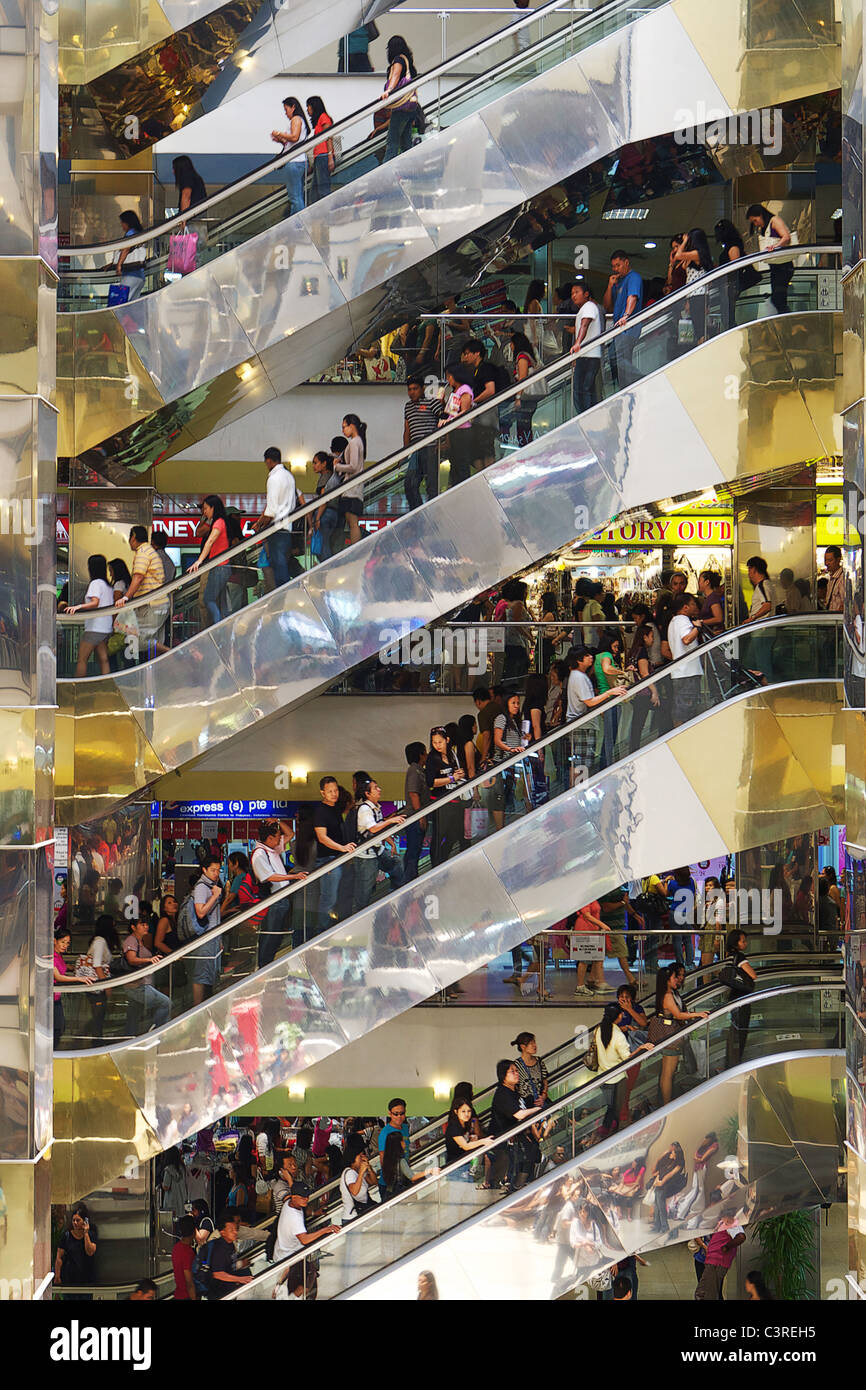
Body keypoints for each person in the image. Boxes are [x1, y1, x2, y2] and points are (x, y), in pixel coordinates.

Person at [565, 647, 627, 779]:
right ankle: (578, 792)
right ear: (579, 660)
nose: (590, 657)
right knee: (582, 762)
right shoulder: (579, 677)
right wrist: (610, 692)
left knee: (580, 762)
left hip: (582, 725)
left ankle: (578, 790)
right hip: (582, 726)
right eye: (586, 655)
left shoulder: (578, 676)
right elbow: (590, 702)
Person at [251, 820, 307, 966]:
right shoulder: (259, 854)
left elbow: (291, 833)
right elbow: (269, 876)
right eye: (277, 836)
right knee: (270, 936)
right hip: (272, 900)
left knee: (276, 937)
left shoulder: (273, 848)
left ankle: (268, 964)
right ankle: (264, 966)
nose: (280, 838)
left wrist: (278, 821)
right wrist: (293, 876)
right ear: (269, 839)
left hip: (281, 899)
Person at [484, 1059, 543, 1191]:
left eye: (517, 1071)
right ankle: (515, 1187)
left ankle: (519, 1186)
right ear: (503, 1076)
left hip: (516, 1140)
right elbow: (519, 1114)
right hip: (503, 1143)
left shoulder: (514, 1092)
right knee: (521, 1162)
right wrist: (538, 1110)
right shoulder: (502, 1093)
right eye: (512, 1071)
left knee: (532, 1156)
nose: (516, 1074)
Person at [655, 963, 708, 1103]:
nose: (677, 980)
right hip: (671, 1038)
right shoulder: (667, 996)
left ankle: (665, 1102)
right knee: (668, 1073)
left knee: (668, 1072)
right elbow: (678, 1015)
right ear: (667, 980)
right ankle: (666, 1104)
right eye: (674, 977)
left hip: (670, 1037)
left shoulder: (669, 994)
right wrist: (697, 1014)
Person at [115, 526, 169, 659]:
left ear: (133, 537)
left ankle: (173, 652)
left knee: (139, 640)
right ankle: (154, 674)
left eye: (130, 538)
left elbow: (138, 576)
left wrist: (126, 597)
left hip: (153, 605)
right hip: (157, 604)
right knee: (149, 642)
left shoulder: (143, 553)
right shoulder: (148, 551)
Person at [312, 775, 356, 932]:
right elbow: (322, 838)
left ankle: (329, 929)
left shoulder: (335, 809)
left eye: (336, 790)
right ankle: (321, 932)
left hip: (337, 859)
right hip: (328, 861)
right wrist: (342, 848)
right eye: (329, 791)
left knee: (336, 897)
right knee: (328, 898)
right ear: (322, 793)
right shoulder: (321, 812)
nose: (334, 794)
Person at [353, 777, 405, 909]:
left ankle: (394, 895)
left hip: (377, 850)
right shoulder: (365, 809)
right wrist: (391, 821)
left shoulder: (376, 807)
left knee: (396, 863)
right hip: (366, 856)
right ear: (367, 794)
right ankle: (360, 915)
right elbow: (373, 828)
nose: (379, 789)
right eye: (375, 788)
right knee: (365, 891)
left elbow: (379, 828)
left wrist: (392, 844)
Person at [253, 447, 298, 588]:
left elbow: (271, 509)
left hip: (276, 529)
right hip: (287, 527)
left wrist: (259, 526)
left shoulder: (273, 478)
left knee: (278, 569)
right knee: (282, 565)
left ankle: (283, 598)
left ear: (269, 461)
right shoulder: (289, 476)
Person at [121, 915, 171, 1033]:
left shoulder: (140, 941)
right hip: (138, 985)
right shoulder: (131, 940)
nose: (146, 927)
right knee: (165, 1003)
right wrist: (149, 960)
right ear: (133, 927)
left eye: (146, 924)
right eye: (142, 924)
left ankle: (129, 1037)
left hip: (139, 984)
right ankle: (157, 1030)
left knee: (133, 1015)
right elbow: (131, 959)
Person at [66, 554, 114, 676]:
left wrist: (78, 607)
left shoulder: (95, 583)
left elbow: (95, 602)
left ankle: (78, 686)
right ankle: (105, 684)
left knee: (82, 659)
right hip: (106, 628)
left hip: (94, 628)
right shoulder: (108, 586)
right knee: (103, 659)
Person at [603, 249, 644, 386]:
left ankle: (643, 378)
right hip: (619, 328)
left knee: (617, 358)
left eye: (618, 265)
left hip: (628, 327)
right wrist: (610, 286)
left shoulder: (633, 277)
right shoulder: (618, 282)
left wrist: (626, 315)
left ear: (626, 262)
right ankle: (627, 388)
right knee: (618, 360)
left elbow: (632, 297)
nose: (615, 269)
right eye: (613, 266)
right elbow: (607, 306)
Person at [425, 725, 465, 865]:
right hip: (440, 803)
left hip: (455, 801)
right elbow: (430, 782)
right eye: (434, 743)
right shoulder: (432, 758)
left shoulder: (452, 754)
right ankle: (436, 864)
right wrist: (452, 778)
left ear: (447, 740)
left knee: (454, 834)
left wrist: (459, 775)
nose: (437, 746)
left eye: (440, 742)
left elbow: (457, 772)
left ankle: (442, 861)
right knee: (438, 835)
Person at [188, 495, 231, 625]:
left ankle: (218, 625)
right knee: (219, 601)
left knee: (208, 599)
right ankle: (222, 624)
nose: (204, 511)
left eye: (206, 508)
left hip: (220, 567)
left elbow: (210, 541)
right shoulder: (220, 521)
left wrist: (199, 561)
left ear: (213, 508)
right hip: (221, 567)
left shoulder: (218, 522)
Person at [75, 916, 119, 1040]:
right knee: (98, 1016)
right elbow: (97, 964)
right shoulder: (100, 941)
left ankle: (86, 1038)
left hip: (96, 985)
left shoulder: (100, 940)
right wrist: (106, 986)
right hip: (97, 985)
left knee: (97, 1015)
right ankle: (93, 1041)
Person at [187, 853, 223, 1005]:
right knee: (201, 976)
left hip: (213, 937)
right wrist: (215, 896)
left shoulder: (211, 886)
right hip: (205, 937)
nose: (216, 873)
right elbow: (201, 912)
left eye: (218, 870)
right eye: (213, 870)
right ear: (204, 870)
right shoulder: (202, 887)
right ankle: (197, 1008)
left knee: (208, 974)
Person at [403, 374, 443, 509]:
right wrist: (404, 453)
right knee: (409, 483)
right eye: (409, 389)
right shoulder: (408, 406)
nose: (412, 392)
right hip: (415, 450)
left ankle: (433, 513)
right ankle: (417, 511)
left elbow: (443, 421)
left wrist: (442, 443)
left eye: (415, 389)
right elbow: (407, 430)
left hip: (431, 448)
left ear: (422, 388)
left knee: (431, 485)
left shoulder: (432, 402)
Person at [746, 203, 793, 312]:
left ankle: (788, 322)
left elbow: (786, 237)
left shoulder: (774, 221)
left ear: (761, 215)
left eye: (755, 220)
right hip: (776, 267)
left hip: (784, 267)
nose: (756, 224)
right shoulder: (767, 226)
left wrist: (775, 246)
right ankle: (785, 321)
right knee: (778, 299)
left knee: (778, 299)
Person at [667, 592, 704, 726]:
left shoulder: (673, 622)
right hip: (688, 672)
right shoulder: (683, 620)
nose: (696, 607)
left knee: (680, 710)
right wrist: (697, 628)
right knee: (686, 711)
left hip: (679, 672)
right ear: (685, 607)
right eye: (693, 604)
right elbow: (687, 639)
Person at [381, 38, 420, 162]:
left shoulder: (398, 60)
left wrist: (389, 90)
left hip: (401, 108)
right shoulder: (407, 61)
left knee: (392, 141)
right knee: (405, 142)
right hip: (411, 108)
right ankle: (411, 171)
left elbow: (396, 75)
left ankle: (385, 175)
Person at [673, 226, 713, 340]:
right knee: (698, 328)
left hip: (699, 295)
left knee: (700, 329)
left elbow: (678, 255)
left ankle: (703, 345)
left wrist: (685, 241)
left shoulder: (697, 253)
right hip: (694, 295)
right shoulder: (696, 254)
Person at [272, 96, 310, 215]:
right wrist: (281, 140)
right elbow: (293, 142)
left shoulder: (296, 119)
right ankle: (297, 222)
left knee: (295, 197)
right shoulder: (299, 120)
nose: (285, 113)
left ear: (293, 107)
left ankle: (299, 223)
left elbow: (294, 137)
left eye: (286, 109)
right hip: (299, 161)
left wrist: (280, 133)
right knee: (296, 196)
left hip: (294, 161)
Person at [438, 364, 475, 486]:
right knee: (454, 462)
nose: (448, 379)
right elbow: (451, 411)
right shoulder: (456, 391)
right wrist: (442, 401)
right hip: (454, 431)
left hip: (462, 431)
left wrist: (450, 421)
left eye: (449, 376)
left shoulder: (465, 389)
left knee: (461, 463)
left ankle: (462, 487)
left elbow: (464, 411)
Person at [724, 928, 756, 1065]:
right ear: (736, 943)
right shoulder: (740, 957)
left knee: (734, 1031)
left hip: (732, 996)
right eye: (743, 941)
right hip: (742, 998)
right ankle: (736, 1062)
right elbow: (753, 975)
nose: (745, 943)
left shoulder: (728, 956)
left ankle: (731, 1060)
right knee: (741, 1032)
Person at [333, 415, 366, 544]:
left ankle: (354, 549)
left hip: (351, 489)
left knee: (352, 523)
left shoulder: (354, 442)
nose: (343, 431)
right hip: (355, 488)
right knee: (353, 523)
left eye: (344, 427)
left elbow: (353, 466)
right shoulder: (358, 441)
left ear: (351, 426)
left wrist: (337, 466)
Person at [570, 279, 602, 412]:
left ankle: (586, 417)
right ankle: (587, 417)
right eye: (572, 293)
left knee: (583, 390)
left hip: (590, 355)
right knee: (583, 389)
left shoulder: (589, 306)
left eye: (577, 292)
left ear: (586, 294)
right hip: (586, 355)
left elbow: (585, 324)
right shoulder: (585, 308)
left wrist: (577, 344)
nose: (574, 295)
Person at [55, 1203, 98, 1299]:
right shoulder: (66, 1236)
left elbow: (90, 1252)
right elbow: (59, 1256)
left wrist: (85, 1233)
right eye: (73, 1220)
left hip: (87, 1279)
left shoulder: (92, 1234)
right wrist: (57, 1276)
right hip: (70, 1278)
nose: (75, 1223)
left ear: (85, 1221)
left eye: (78, 1220)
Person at [206, 1211, 253, 1298]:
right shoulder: (218, 1248)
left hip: (228, 1289)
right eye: (231, 1230)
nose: (235, 1232)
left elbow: (229, 1265)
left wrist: (241, 1264)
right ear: (222, 1232)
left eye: (235, 1229)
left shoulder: (230, 1244)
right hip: (218, 1292)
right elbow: (217, 1273)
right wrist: (240, 1279)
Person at [695, 1220, 746, 1300]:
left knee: (704, 1294)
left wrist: (726, 1247)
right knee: (704, 1293)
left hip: (717, 1262)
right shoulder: (721, 1222)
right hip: (712, 1262)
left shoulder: (730, 1221)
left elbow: (741, 1237)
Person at [53, 925, 87, 1044]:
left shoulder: (59, 955)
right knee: (56, 1029)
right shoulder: (50, 955)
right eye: (63, 942)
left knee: (59, 1028)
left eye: (67, 943)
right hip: (49, 999)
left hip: (57, 998)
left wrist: (75, 968)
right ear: (54, 941)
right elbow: (58, 977)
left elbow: (62, 966)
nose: (65, 945)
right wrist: (79, 978)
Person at [509, 330, 540, 447]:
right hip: (528, 398)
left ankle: (525, 451)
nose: (510, 346)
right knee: (524, 428)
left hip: (526, 398)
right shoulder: (527, 355)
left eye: (511, 344)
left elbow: (522, 379)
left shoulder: (522, 357)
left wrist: (518, 397)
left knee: (523, 428)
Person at [714, 218, 747, 328]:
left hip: (730, 285)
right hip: (729, 285)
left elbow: (734, 267)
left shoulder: (732, 247)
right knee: (727, 316)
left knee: (728, 316)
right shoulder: (733, 245)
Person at [648, 1141, 687, 1233]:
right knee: (657, 1208)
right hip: (658, 1187)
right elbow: (655, 1173)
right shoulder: (669, 1162)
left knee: (661, 1208)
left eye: (672, 1152)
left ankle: (665, 1228)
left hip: (663, 1188)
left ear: (676, 1155)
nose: (670, 1152)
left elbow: (667, 1177)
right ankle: (657, 1227)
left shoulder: (677, 1165)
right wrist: (656, 1181)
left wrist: (658, 1182)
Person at [444, 1098, 490, 1174]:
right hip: (456, 1166)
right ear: (456, 1112)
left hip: (465, 1164)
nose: (466, 1114)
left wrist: (473, 1140)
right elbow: (465, 1146)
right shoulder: (454, 1126)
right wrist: (482, 1141)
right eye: (463, 1111)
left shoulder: (465, 1124)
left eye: (469, 1111)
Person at [306, 95, 335, 202]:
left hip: (324, 156)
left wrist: (330, 157)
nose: (307, 109)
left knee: (323, 190)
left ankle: (328, 215)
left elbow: (328, 137)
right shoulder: (319, 120)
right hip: (319, 157)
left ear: (314, 106)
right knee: (314, 193)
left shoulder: (324, 117)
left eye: (308, 106)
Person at [113, 210, 147, 301]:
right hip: (140, 277)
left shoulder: (130, 234)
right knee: (131, 306)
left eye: (122, 222)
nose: (121, 225)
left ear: (127, 223)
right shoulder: (139, 233)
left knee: (120, 304)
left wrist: (119, 265)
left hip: (130, 275)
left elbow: (126, 249)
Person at [172, 1215, 198, 1299]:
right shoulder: (188, 1252)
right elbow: (189, 1281)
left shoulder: (176, 1247)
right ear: (194, 1232)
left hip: (178, 1294)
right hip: (187, 1296)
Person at [744, 554, 774, 623]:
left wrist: (752, 618)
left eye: (749, 569)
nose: (748, 574)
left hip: (762, 628)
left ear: (754, 569)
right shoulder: (768, 584)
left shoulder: (762, 585)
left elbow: (767, 605)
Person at [697, 569, 725, 634]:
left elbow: (719, 618)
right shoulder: (709, 598)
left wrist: (701, 622)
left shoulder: (713, 598)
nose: (698, 583)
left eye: (700, 581)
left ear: (707, 582)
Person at [823, 545, 844, 613]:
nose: (826, 563)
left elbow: (845, 603)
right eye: (825, 560)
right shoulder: (831, 578)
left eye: (830, 560)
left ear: (838, 560)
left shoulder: (842, 579)